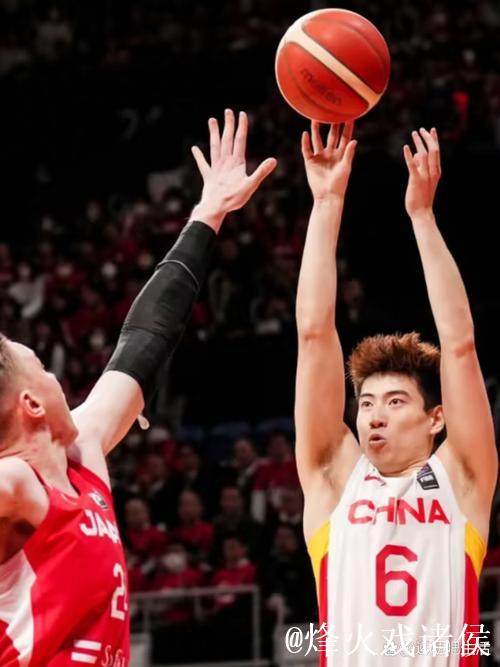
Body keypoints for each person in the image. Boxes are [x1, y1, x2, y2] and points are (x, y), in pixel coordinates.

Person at [0, 109, 276, 666]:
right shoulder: (16, 481)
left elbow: (145, 339)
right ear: (31, 403)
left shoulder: (83, 452)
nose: (59, 379)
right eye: (44, 369)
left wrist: (208, 213)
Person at [294, 121, 497, 665]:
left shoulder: (461, 479)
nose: (374, 417)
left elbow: (460, 347)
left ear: (436, 419)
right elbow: (313, 335)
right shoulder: (334, 479)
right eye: (365, 404)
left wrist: (423, 216)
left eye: (395, 401)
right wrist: (326, 203)